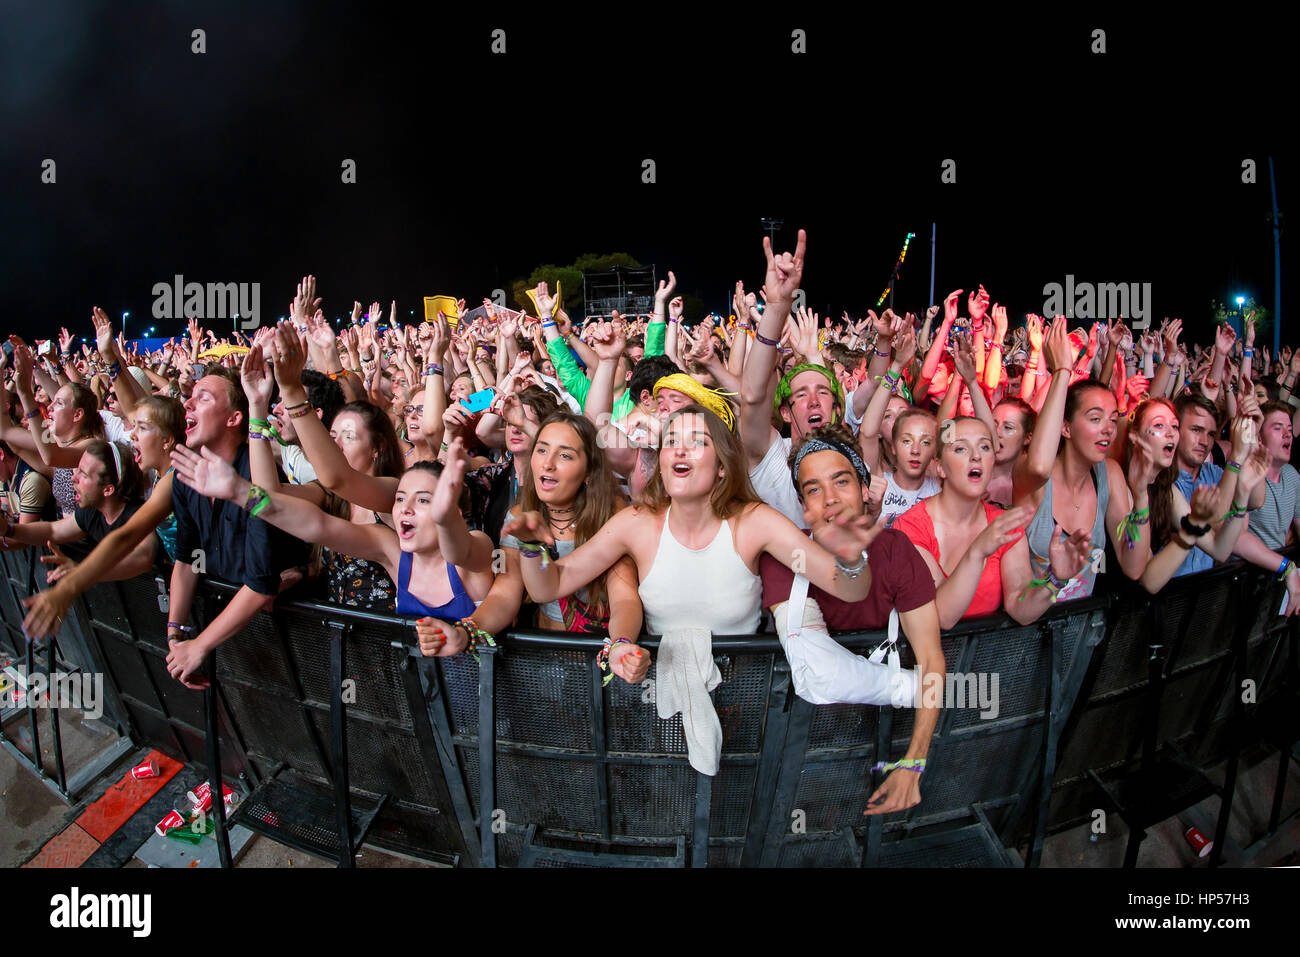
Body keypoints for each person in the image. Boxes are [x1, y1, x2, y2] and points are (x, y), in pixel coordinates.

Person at [506, 404, 880, 651]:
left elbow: (848, 588)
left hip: (741, 698)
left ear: (721, 465)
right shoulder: (636, 524)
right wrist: (532, 549)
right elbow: (548, 586)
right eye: (671, 442)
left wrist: (850, 559)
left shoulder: (755, 523)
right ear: (662, 461)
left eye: (696, 442)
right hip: (657, 698)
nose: (679, 451)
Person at [758, 424, 944, 815]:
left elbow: (931, 660)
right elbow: (822, 673)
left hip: (883, 739)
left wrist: (913, 763)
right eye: (813, 489)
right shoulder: (784, 557)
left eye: (841, 481)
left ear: (864, 489)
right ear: (803, 506)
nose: (829, 499)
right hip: (801, 752)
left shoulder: (895, 550)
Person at [171, 436, 495, 656]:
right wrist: (241, 492)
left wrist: (444, 519)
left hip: (488, 708)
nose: (405, 509)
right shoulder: (392, 551)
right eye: (399, 499)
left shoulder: (477, 545)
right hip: (430, 706)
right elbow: (317, 525)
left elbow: (459, 551)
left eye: (423, 500)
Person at [415, 411, 648, 684]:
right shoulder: (518, 516)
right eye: (542, 450)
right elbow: (504, 594)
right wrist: (466, 633)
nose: (547, 464)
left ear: (589, 472)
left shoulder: (612, 515)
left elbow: (625, 599)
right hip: (547, 663)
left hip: (604, 667)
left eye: (565, 455)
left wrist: (620, 647)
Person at [163, 362, 310, 688]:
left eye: (202, 398)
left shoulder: (258, 477)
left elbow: (262, 584)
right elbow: (187, 559)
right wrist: (176, 631)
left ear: (233, 418)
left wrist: (199, 645)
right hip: (229, 637)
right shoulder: (186, 476)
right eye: (191, 396)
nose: (186, 402)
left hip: (288, 639)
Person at [893, 417, 1094, 625]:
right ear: (940, 467)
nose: (976, 456)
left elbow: (1020, 608)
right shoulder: (910, 528)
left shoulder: (1005, 526)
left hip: (989, 656)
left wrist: (1054, 580)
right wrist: (977, 551)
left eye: (985, 447)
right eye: (961, 449)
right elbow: (943, 617)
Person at [1013, 318, 1155, 600]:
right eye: (1095, 418)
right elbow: (1040, 467)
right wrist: (1063, 371)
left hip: (1082, 635)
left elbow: (1134, 565)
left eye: (1113, 420)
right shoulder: (1030, 473)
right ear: (1065, 427)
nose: (1108, 429)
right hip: (1027, 635)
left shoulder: (1109, 474)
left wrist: (1140, 498)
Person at [1124, 397, 1268, 592]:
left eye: (1174, 427)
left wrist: (1241, 495)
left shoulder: (1167, 490)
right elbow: (1149, 581)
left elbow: (1220, 550)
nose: (1170, 433)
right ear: (1135, 437)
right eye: (1159, 425)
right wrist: (1193, 525)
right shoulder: (1123, 484)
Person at [1, 441, 159, 587]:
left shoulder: (138, 514)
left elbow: (144, 558)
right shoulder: (92, 512)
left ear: (108, 489)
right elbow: (52, 531)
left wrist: (84, 571)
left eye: (83, 474)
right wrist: (8, 530)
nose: (73, 477)